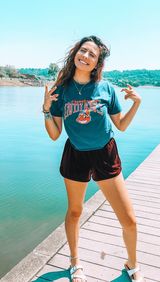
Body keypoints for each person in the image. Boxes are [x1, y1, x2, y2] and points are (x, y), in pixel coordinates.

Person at [42, 35, 145, 282]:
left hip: (104, 154)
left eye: (92, 54)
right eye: (83, 51)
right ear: (75, 53)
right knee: (75, 212)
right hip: (75, 154)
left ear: (97, 62)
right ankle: (75, 263)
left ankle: (132, 264)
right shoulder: (61, 90)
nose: (85, 57)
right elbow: (55, 134)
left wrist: (137, 104)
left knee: (129, 220)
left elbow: (120, 125)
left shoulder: (105, 88)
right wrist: (46, 108)